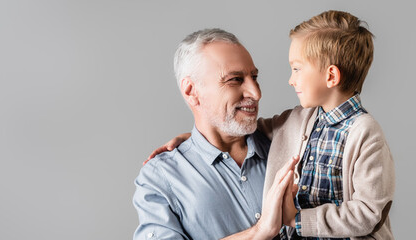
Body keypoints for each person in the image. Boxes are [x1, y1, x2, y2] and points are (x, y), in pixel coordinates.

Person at [149, 10, 395, 239]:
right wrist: (194, 142)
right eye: (235, 79)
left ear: (331, 76)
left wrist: (298, 219)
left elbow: (369, 212)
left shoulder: (364, 132)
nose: (290, 80)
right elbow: (243, 126)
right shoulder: (300, 120)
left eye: (297, 69)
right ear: (191, 91)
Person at [132, 28, 298, 240]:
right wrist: (259, 232)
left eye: (254, 77)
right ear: (192, 91)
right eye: (235, 79)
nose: (256, 93)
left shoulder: (289, 140)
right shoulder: (161, 177)